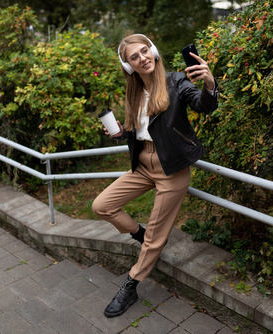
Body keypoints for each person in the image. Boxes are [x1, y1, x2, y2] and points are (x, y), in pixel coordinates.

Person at [92, 34, 219, 318]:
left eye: (144, 51)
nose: (142, 58)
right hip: (143, 164)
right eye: (133, 57)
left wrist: (209, 83)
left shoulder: (175, 81)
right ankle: (140, 233)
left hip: (171, 168)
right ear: (128, 66)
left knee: (156, 238)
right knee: (101, 206)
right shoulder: (135, 92)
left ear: (154, 51)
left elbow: (202, 104)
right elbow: (142, 130)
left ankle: (131, 284)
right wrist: (121, 133)